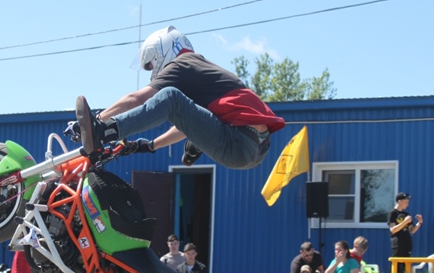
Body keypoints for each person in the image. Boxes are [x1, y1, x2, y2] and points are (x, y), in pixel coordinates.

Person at [72, 26, 285, 169]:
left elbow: (137, 98)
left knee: (169, 97)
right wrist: (147, 145)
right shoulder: (201, 73)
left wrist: (97, 122)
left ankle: (105, 131)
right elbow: (184, 125)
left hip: (240, 142)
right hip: (255, 149)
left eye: (152, 64)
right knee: (180, 106)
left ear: (162, 50)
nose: (153, 71)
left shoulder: (184, 63)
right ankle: (197, 144)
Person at [387, 193, 423, 273]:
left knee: (405, 266)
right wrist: (404, 222)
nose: (408, 204)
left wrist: (419, 223)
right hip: (397, 243)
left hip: (407, 243)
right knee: (397, 265)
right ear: (399, 202)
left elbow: (412, 230)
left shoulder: (406, 214)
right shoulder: (392, 213)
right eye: (406, 202)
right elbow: (393, 230)